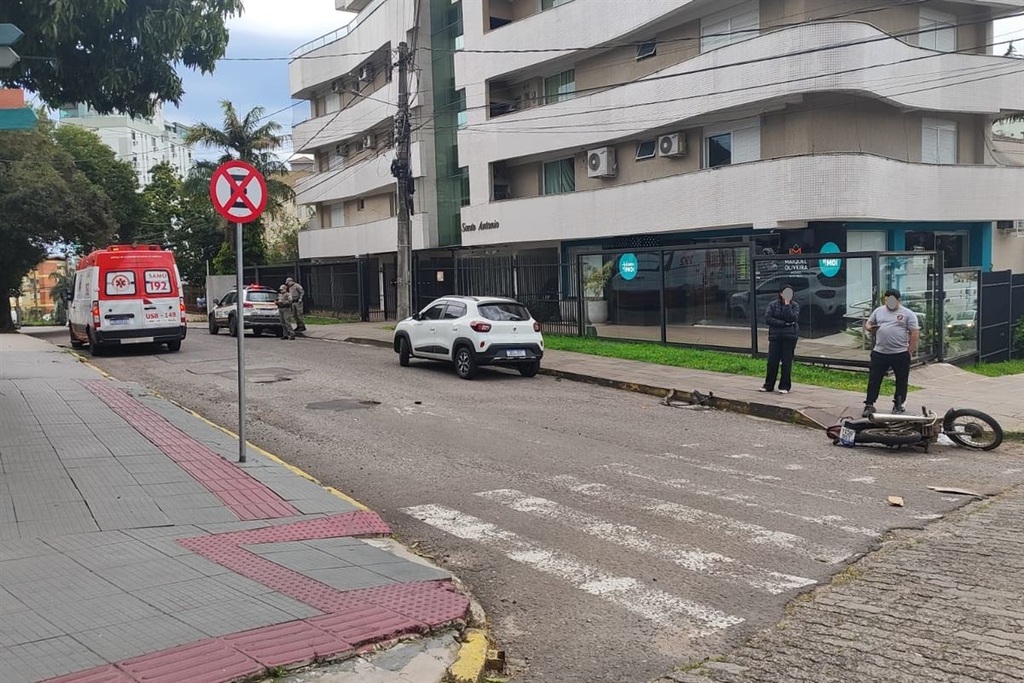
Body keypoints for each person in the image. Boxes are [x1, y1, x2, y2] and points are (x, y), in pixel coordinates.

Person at [863, 288, 919, 416]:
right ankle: (869, 404)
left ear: (899, 300)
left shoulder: (907, 314)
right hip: (880, 352)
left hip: (899, 353)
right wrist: (870, 328)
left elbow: (914, 333)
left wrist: (910, 351)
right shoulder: (879, 311)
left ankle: (898, 404)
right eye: (887, 300)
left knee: (901, 380)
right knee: (874, 379)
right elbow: (869, 323)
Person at [760, 284, 800, 394]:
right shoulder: (772, 305)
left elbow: (792, 318)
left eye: (790, 293)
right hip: (775, 336)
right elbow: (768, 319)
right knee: (772, 361)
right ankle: (768, 385)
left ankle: (784, 386)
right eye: (786, 293)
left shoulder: (795, 306)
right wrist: (784, 323)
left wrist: (787, 306)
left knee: (786, 362)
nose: (788, 295)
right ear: (781, 294)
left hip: (790, 337)